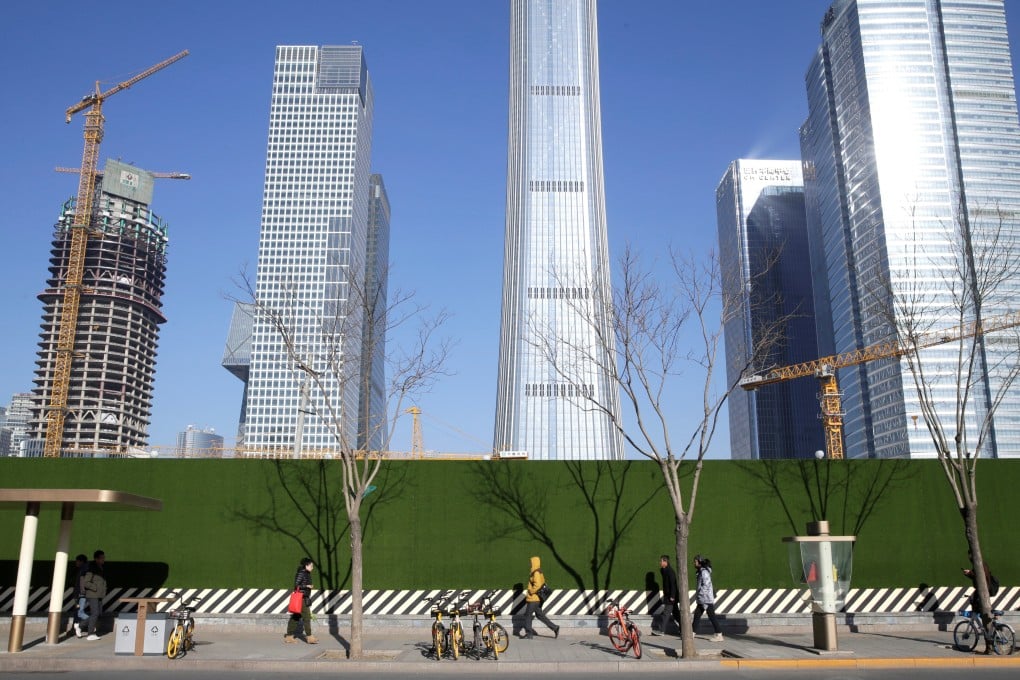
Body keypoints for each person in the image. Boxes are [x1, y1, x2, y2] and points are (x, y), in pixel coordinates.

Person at [523, 556, 559, 639]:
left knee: (528, 615)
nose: (530, 564)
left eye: (531, 562)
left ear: (534, 563)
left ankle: (529, 634)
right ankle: (555, 628)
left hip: (534, 599)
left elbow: (538, 585)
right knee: (539, 615)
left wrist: (531, 591)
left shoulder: (536, 573)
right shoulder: (539, 572)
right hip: (537, 599)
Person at [285, 557, 318, 644]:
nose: (312, 567)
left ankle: (289, 636)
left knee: (296, 617)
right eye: (311, 566)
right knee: (306, 617)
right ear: (306, 565)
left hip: (304, 597)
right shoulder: (301, 573)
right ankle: (310, 637)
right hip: (301, 598)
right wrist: (307, 586)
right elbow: (297, 585)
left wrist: (308, 586)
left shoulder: (306, 574)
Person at [692, 554, 723, 642]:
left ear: (699, 562)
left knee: (711, 616)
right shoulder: (701, 571)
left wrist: (700, 595)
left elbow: (706, 584)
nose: (694, 563)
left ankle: (719, 634)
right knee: (697, 615)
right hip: (703, 598)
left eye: (695, 562)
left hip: (706, 599)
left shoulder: (704, 572)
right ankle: (692, 633)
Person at [81, 550, 106, 641]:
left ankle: (80, 625)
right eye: (102, 558)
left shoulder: (101, 567)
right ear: (96, 559)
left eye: (104, 557)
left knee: (98, 614)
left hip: (99, 595)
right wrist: (95, 587)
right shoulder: (91, 568)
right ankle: (90, 633)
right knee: (95, 613)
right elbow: (86, 582)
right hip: (92, 595)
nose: (104, 559)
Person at [654, 554, 680, 636]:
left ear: (666, 562)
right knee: (676, 614)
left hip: (671, 596)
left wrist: (672, 596)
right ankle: (685, 629)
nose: (660, 562)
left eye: (661, 561)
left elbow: (673, 584)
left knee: (666, 613)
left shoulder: (670, 572)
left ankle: (662, 630)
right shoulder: (664, 570)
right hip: (669, 596)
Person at [72, 553, 89, 638]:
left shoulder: (83, 570)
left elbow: (81, 584)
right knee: (78, 611)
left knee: (79, 612)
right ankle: (77, 626)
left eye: (77, 561)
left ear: (81, 561)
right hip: (80, 594)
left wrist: (80, 593)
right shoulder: (82, 569)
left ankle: (89, 623)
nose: (76, 563)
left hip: (80, 594)